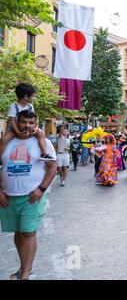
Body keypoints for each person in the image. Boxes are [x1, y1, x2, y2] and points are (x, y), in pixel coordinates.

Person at [0, 110, 57, 280]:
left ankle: (25, 274)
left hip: (32, 197)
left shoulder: (44, 143)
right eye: (23, 122)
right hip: (8, 197)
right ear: (16, 122)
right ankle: (24, 267)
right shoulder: (5, 142)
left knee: (28, 233)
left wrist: (41, 189)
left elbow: (52, 168)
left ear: (36, 123)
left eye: (31, 123)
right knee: (18, 232)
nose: (27, 126)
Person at [0, 83, 54, 161]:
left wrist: (35, 128)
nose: (34, 98)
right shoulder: (14, 106)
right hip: (15, 128)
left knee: (41, 134)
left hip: (29, 128)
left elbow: (34, 118)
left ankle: (44, 153)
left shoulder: (30, 106)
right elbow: (13, 121)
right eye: (32, 96)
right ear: (26, 96)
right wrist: (18, 132)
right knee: (4, 139)